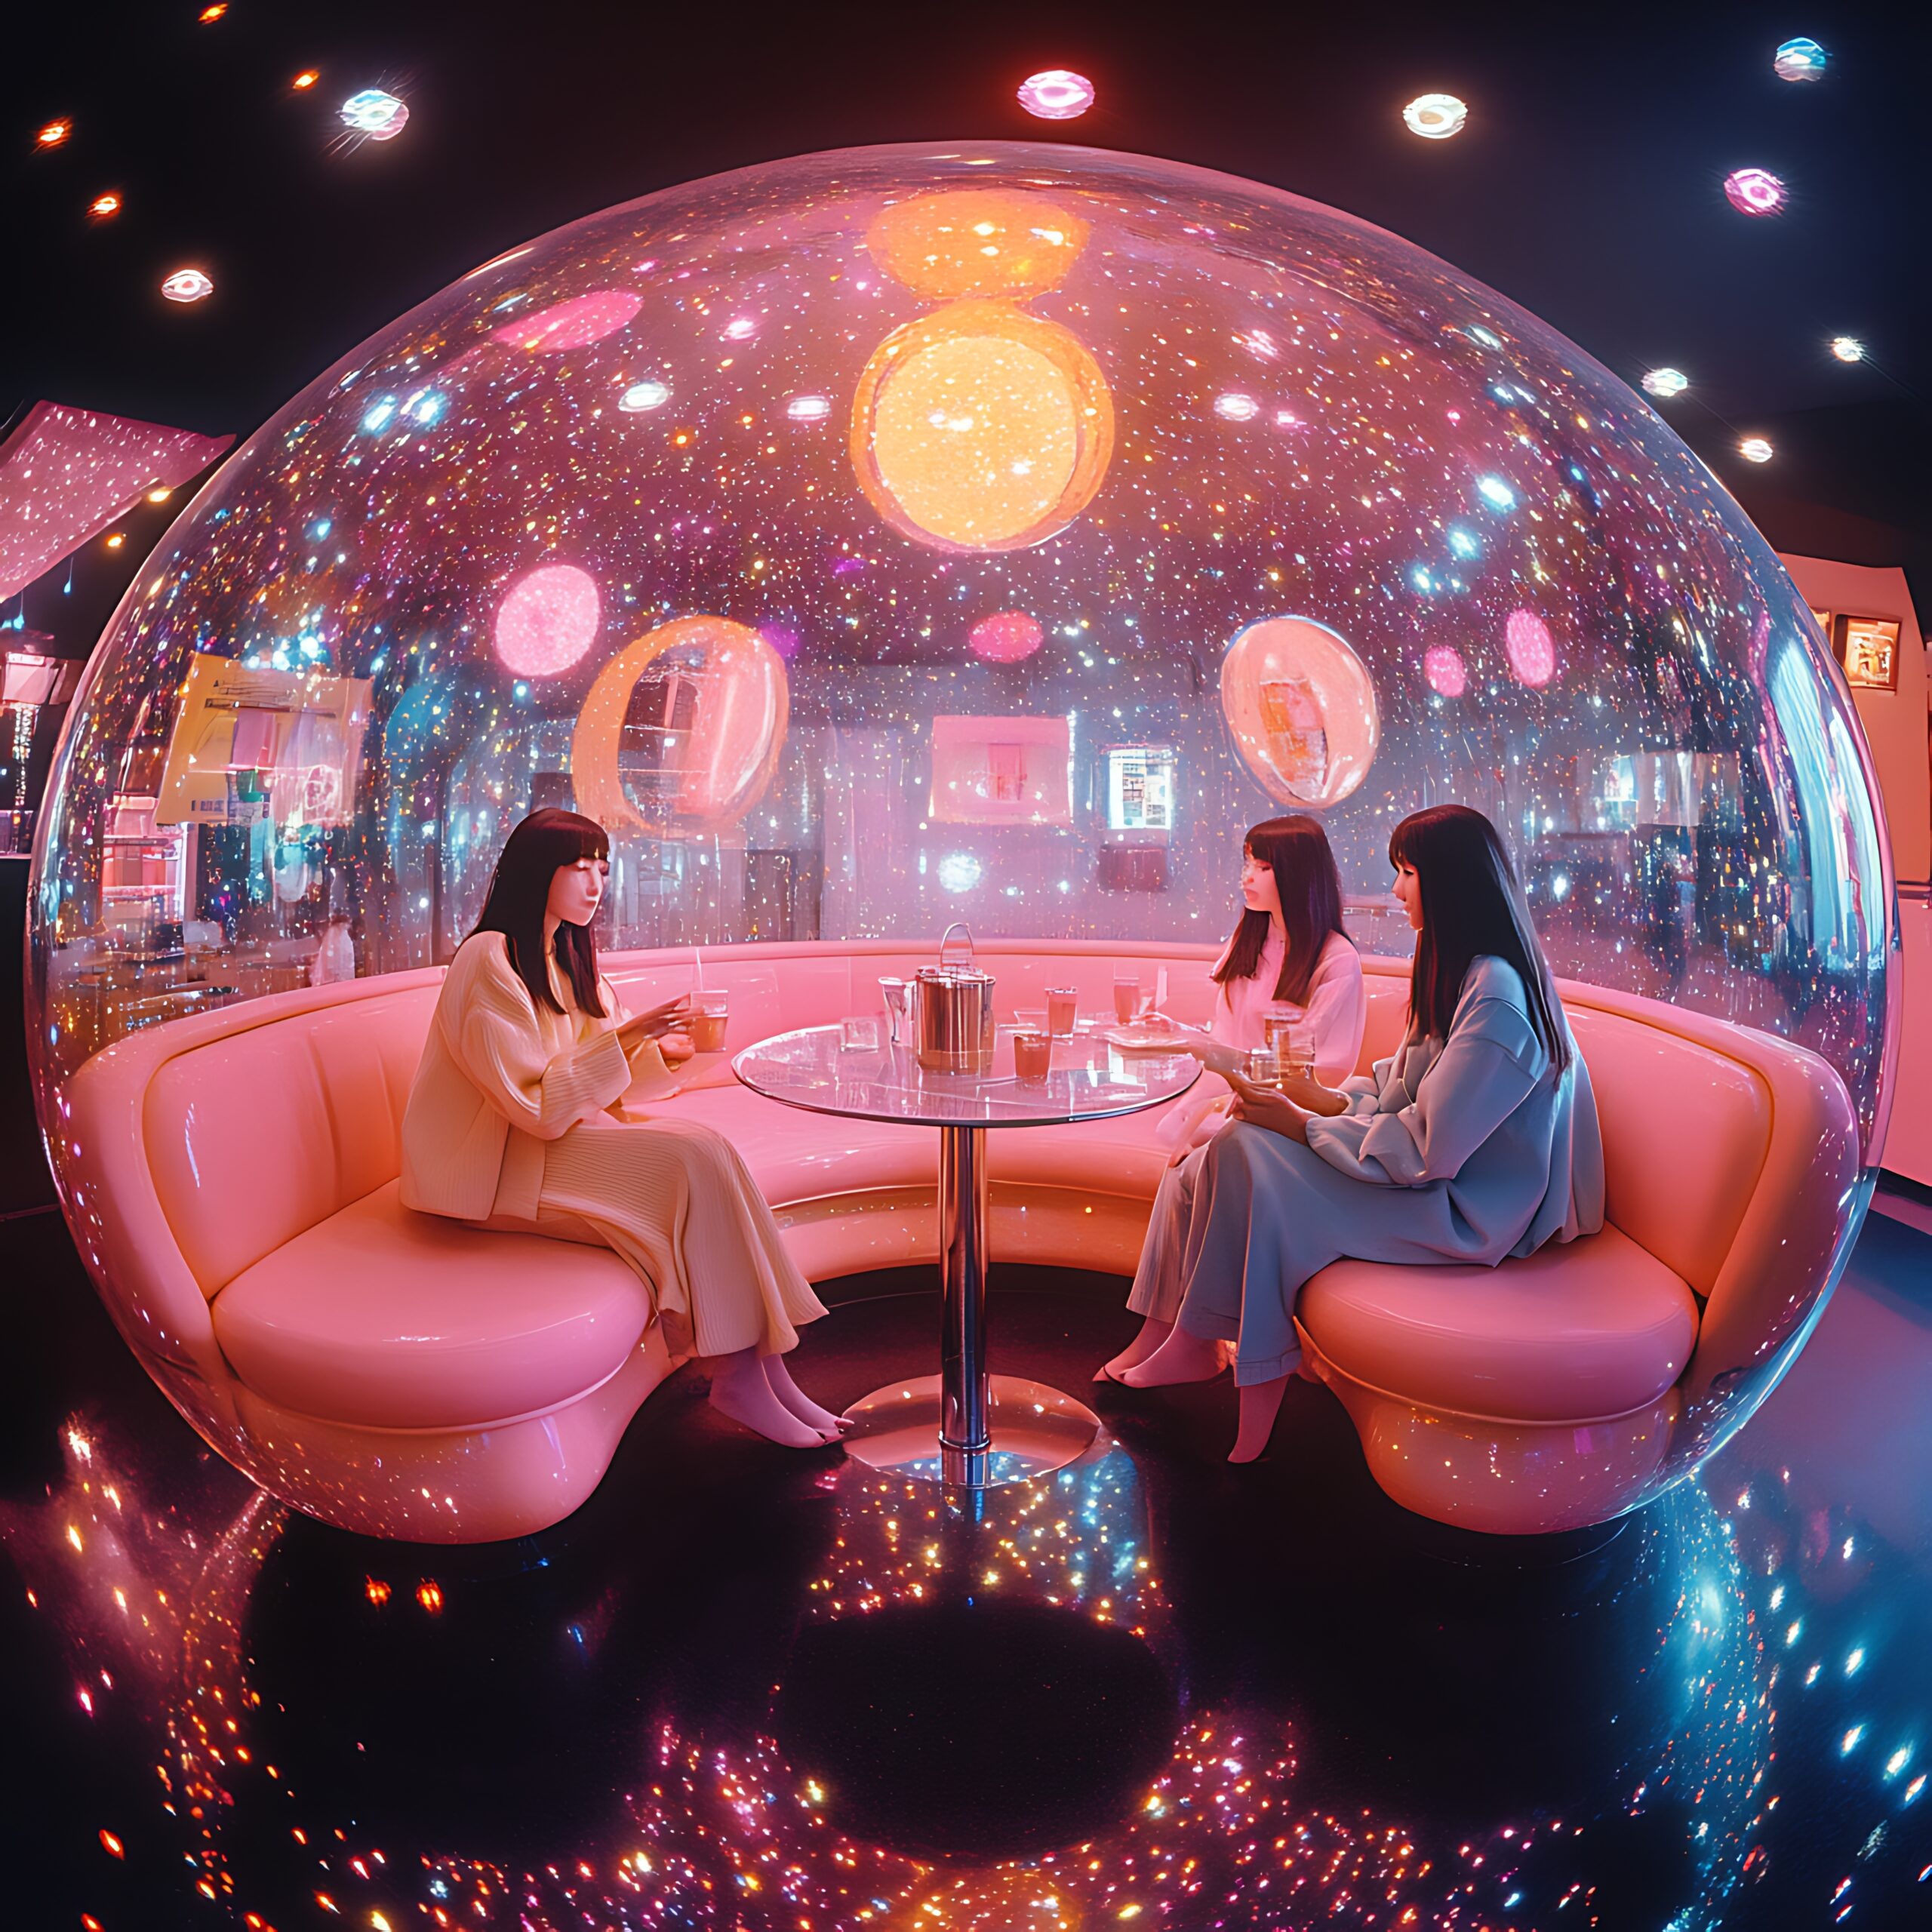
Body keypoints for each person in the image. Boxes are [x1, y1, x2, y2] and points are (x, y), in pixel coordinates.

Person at [1107, 803, 1604, 1464]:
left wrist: (1303, 1124)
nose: (1395, 891)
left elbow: (1431, 1150)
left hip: (1471, 1212)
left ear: (1451, 882)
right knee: (1223, 1150)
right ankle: (1204, 1345)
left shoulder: (1499, 1001)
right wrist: (1316, 1101)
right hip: (1425, 1176)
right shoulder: (1461, 973)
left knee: (1244, 1149)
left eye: (1407, 873)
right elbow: (1395, 1088)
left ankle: (1251, 1364)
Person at [400, 808, 841, 1449]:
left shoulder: (566, 957)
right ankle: (745, 1376)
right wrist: (632, 1037)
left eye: (603, 869)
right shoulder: (487, 959)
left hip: (539, 1149)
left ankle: (764, 1370)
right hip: (489, 1171)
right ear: (535, 871)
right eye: (579, 868)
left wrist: (663, 1053)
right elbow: (539, 1108)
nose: (595, 883)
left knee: (707, 1150)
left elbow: (606, 1075)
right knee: (694, 1154)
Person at [1098, 814, 1364, 1383]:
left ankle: (1192, 1342)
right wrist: (1187, 1046)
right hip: (1236, 1101)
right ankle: (1161, 1333)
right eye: (1247, 861)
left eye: (1263, 866)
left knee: (1197, 1166)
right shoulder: (1249, 942)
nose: (1248, 876)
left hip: (1294, 1116)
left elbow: (1325, 1070)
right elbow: (1224, 1041)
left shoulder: (1335, 960)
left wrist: (1217, 1066)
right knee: (1182, 1170)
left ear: (1298, 874)